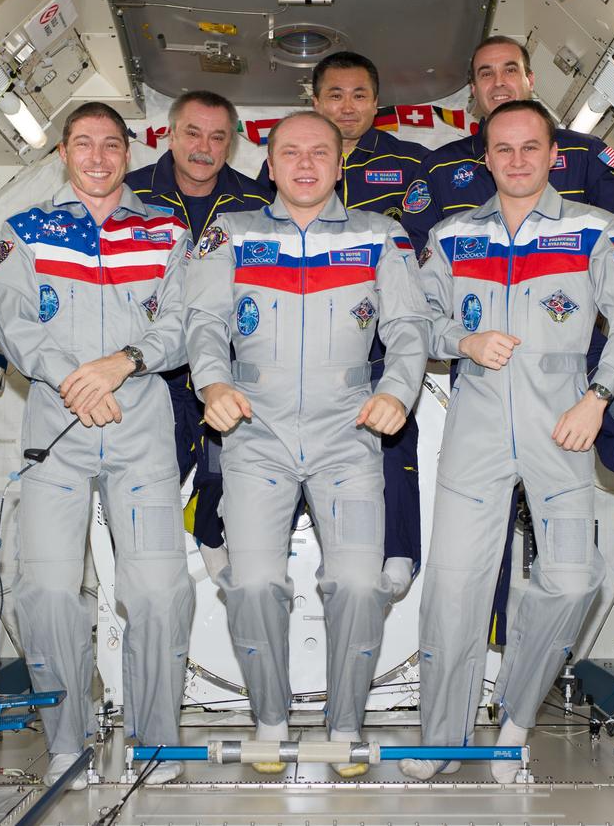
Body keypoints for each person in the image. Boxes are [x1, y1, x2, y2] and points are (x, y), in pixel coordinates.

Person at [402, 35, 614, 629]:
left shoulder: (582, 155)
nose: (498, 82)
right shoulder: (439, 170)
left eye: (510, 70)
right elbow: (412, 258)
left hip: (573, 350)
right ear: (472, 94)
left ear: (530, 80)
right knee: (484, 497)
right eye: (485, 73)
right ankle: (489, 621)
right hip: (486, 354)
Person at [401, 100, 614, 783]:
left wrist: (598, 397)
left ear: (553, 156)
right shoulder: (454, 235)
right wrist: (463, 339)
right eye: (503, 149)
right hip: (477, 430)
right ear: (484, 158)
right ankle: (442, 740)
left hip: (562, 426)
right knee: (453, 588)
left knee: (575, 578)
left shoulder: (595, 229)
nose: (517, 160)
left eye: (530, 148)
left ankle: (516, 716)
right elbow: (416, 322)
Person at [184, 111, 430, 777]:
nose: (304, 163)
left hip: (348, 437)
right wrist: (212, 383)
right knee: (255, 580)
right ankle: (270, 716)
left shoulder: (381, 236)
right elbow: (202, 322)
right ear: (269, 164)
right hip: (254, 435)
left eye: (319, 151)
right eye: (289, 152)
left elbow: (410, 329)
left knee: (357, 581)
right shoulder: (231, 234)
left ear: (338, 163)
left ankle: (343, 724)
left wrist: (398, 393)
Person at [0, 102, 195, 789]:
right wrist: (79, 381)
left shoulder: (165, 231)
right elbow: (13, 326)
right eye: (84, 143)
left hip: (141, 430)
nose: (99, 157)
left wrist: (123, 362)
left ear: (128, 153)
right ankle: (68, 742)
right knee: (45, 590)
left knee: (160, 590)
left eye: (111, 144)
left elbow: (184, 319)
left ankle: (157, 739)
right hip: (57, 429)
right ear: (63, 153)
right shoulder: (24, 232)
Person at [257, 51, 431, 591]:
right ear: (315, 100)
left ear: (377, 103)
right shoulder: (284, 164)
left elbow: (421, 251)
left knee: (396, 432)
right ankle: (262, 552)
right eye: (334, 94)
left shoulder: (409, 166)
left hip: (380, 337)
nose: (347, 106)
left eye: (359, 95)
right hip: (308, 339)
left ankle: (398, 551)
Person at [126, 91, 271, 567]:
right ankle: (150, 563)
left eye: (217, 136)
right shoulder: (131, 196)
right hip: (153, 360)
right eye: (192, 132)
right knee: (152, 474)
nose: (203, 147)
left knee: (228, 455)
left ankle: (208, 526)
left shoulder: (257, 201)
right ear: (169, 133)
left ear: (231, 144)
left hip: (226, 355)